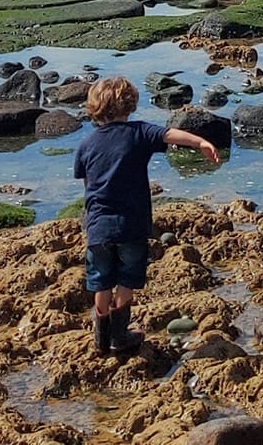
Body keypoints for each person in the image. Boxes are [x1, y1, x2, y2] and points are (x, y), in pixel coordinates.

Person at [73, 74, 221, 356]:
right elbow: (169, 134)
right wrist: (201, 142)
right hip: (132, 225)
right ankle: (120, 336)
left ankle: (101, 340)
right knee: (127, 279)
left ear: (94, 107)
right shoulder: (139, 132)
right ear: (129, 105)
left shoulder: (86, 144)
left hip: (98, 228)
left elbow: (88, 188)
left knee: (100, 281)